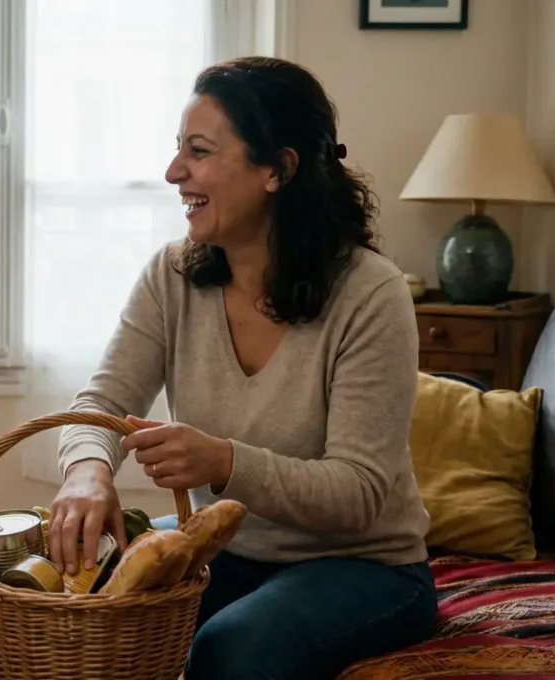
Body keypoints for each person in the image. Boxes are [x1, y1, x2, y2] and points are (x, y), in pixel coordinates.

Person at [48, 56, 437, 679]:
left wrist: (226, 463)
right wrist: (87, 474)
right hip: (225, 550)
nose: (174, 172)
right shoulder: (172, 276)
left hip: (365, 567)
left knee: (234, 647)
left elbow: (362, 493)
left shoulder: (371, 294)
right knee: (74, 605)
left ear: (278, 169)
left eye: (198, 152)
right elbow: (100, 402)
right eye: (179, 150)